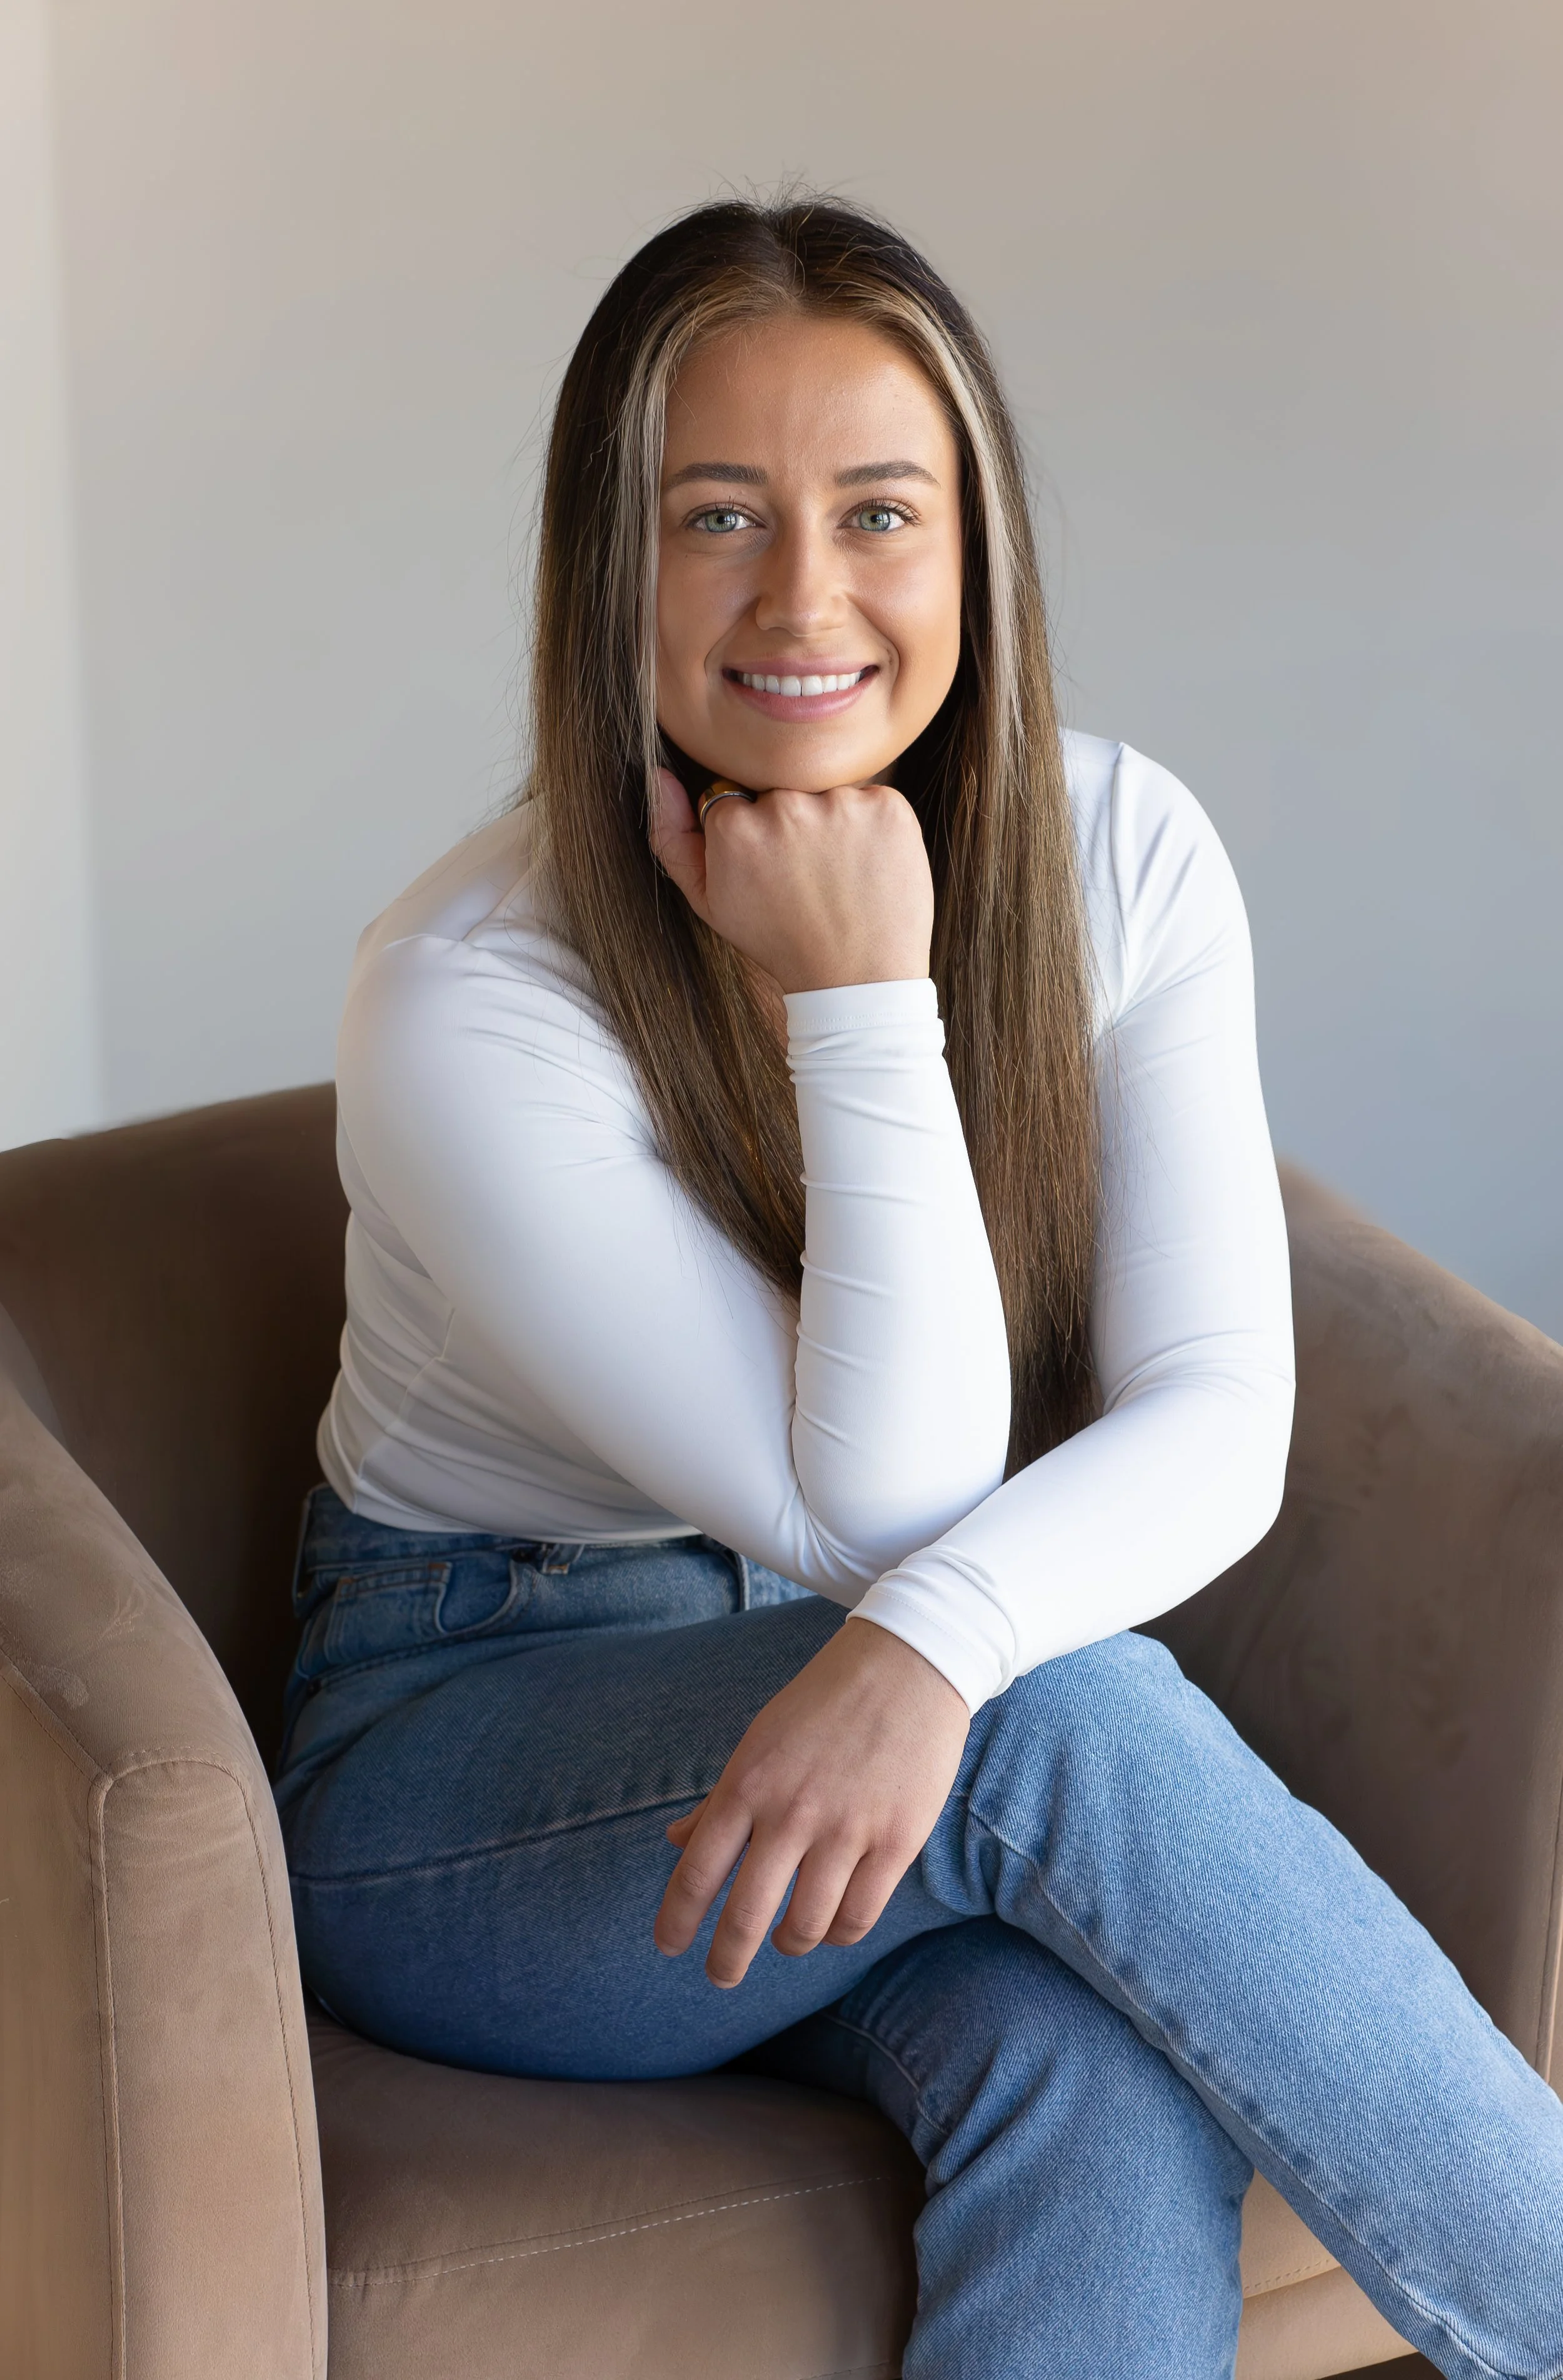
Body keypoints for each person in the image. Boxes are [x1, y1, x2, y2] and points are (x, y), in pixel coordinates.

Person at [273, 198, 1563, 2378]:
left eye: (879, 511)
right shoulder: (465, 996)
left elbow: (1216, 1418)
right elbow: (887, 1511)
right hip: (473, 1767)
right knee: (1048, 1710)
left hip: (839, 1724)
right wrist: (859, 992)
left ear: (978, 549)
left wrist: (925, 1649)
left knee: (1087, 2056)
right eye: (715, 517)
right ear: (605, 569)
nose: (806, 596)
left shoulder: (1117, 851)